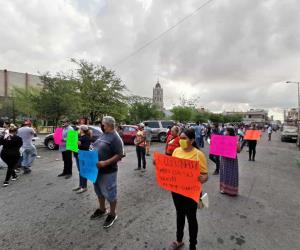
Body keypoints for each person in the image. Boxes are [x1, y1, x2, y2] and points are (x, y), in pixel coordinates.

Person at [168, 128, 208, 250]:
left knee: (191, 219)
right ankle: (178, 240)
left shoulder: (198, 154)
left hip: (191, 192)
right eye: (180, 138)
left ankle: (192, 245)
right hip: (177, 191)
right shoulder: (176, 151)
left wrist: (203, 178)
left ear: (192, 140)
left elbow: (205, 174)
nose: (181, 140)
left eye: (184, 138)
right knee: (179, 215)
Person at [91, 116, 124, 229]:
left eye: (103, 124)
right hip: (97, 170)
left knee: (110, 193)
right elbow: (97, 145)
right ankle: (102, 209)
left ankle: (112, 214)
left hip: (108, 171)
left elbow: (120, 155)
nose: (101, 125)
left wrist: (105, 163)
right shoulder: (104, 134)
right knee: (99, 191)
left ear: (108, 125)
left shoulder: (115, 137)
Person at [220, 127, 240, 196]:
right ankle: (224, 189)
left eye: (226, 131)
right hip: (224, 159)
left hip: (231, 160)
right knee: (224, 173)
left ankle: (232, 191)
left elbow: (238, 150)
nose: (224, 132)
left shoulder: (235, 139)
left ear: (229, 132)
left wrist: (235, 144)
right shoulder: (223, 138)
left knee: (232, 174)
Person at [73, 125, 92, 194]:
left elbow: (86, 147)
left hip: (83, 156)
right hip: (78, 155)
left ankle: (84, 187)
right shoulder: (80, 136)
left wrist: (79, 145)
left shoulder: (86, 137)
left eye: (79, 129)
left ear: (82, 130)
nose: (78, 130)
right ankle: (80, 185)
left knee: (83, 171)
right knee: (80, 171)